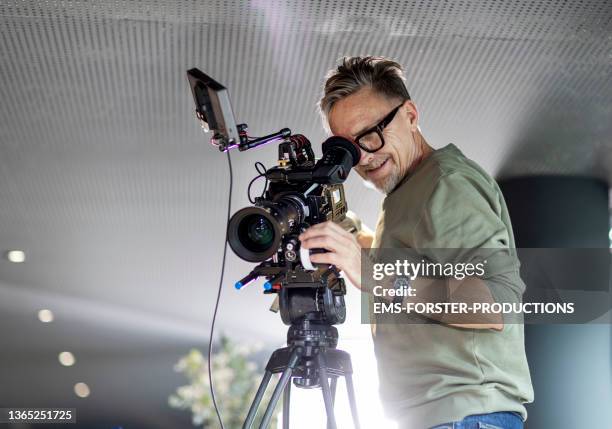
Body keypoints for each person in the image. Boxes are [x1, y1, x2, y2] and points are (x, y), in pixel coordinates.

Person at [299, 56, 533, 429]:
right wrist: (348, 235)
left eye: (371, 133)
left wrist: (372, 273)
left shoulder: (447, 184)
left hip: (463, 416)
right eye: (348, 148)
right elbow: (425, 265)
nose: (365, 155)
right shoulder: (407, 190)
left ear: (410, 114)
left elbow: (494, 306)